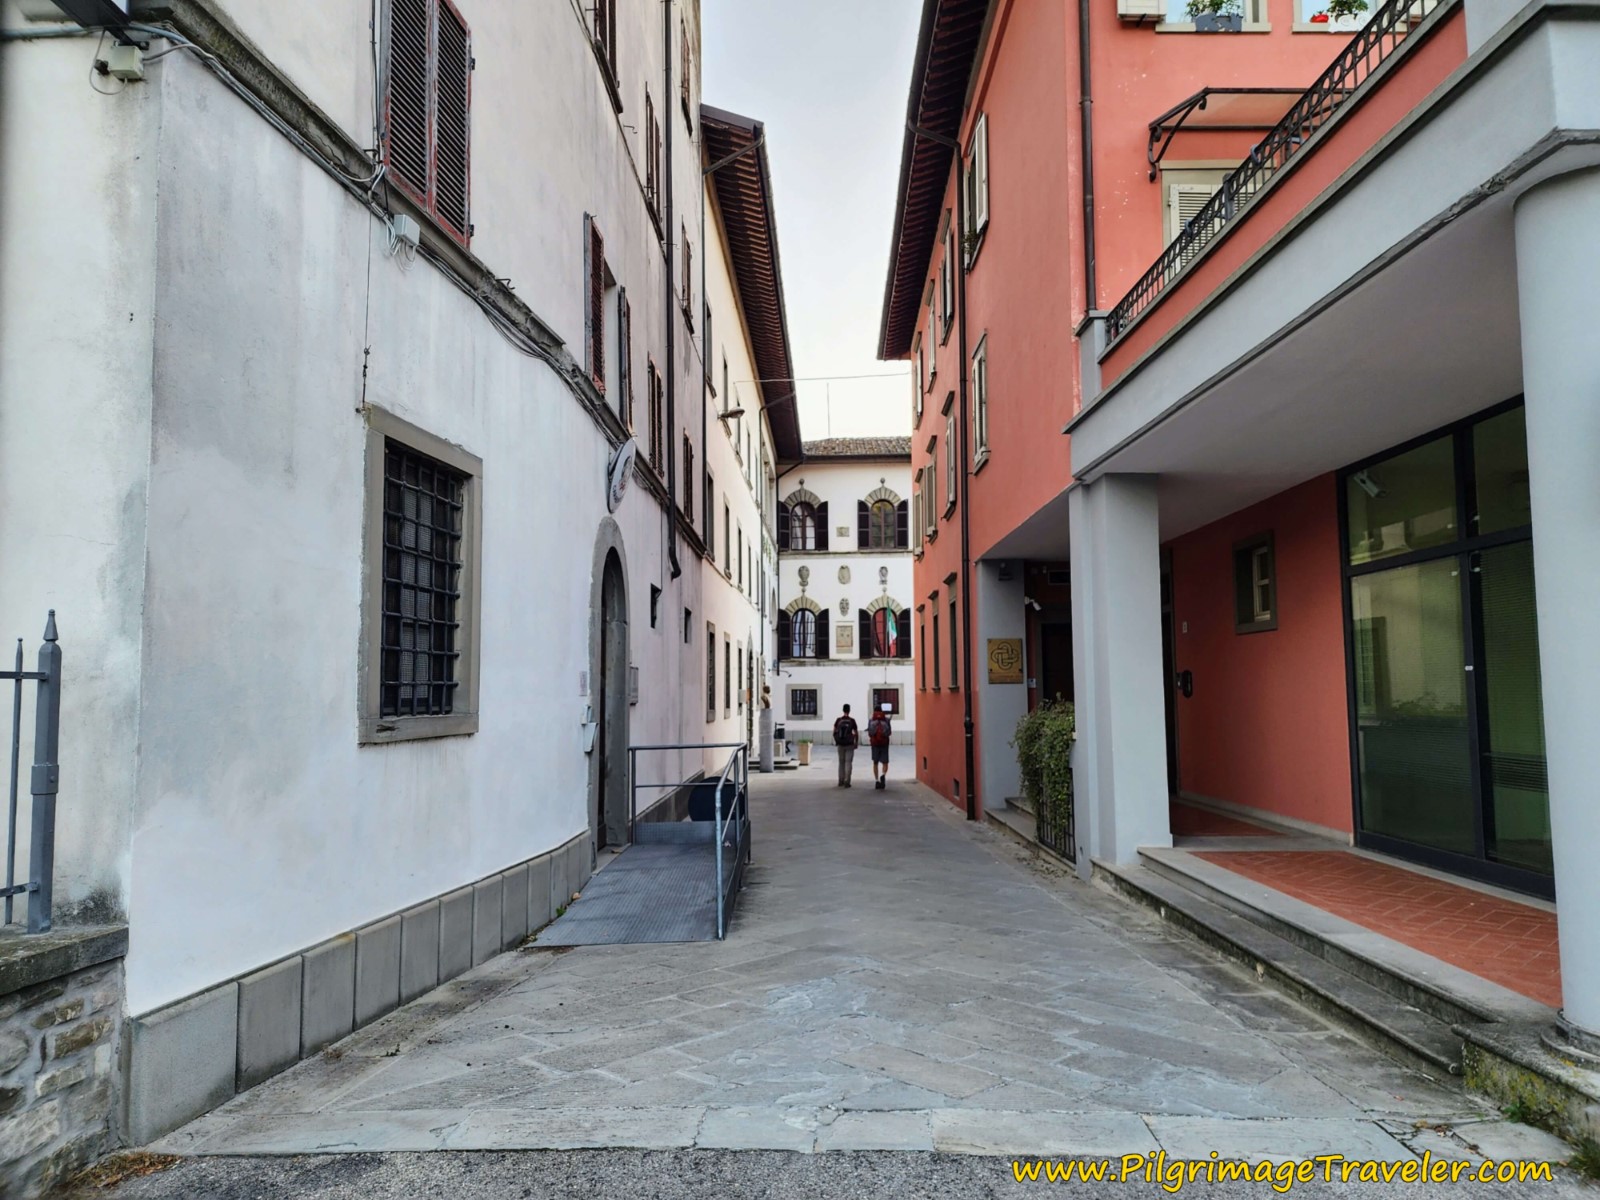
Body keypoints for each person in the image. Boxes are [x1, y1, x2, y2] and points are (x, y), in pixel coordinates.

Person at [832, 703, 859, 788]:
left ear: (843, 710)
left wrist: (837, 740)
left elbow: (834, 732)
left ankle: (841, 781)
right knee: (848, 762)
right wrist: (856, 742)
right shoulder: (852, 720)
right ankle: (847, 781)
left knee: (841, 763)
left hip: (840, 744)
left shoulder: (838, 720)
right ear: (849, 710)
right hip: (850, 744)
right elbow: (856, 732)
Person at [867, 703, 893, 789]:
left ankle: (876, 781)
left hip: (875, 744)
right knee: (885, 762)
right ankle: (883, 775)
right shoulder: (886, 720)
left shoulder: (871, 720)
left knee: (875, 762)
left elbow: (870, 733)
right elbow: (889, 732)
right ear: (881, 710)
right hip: (884, 744)